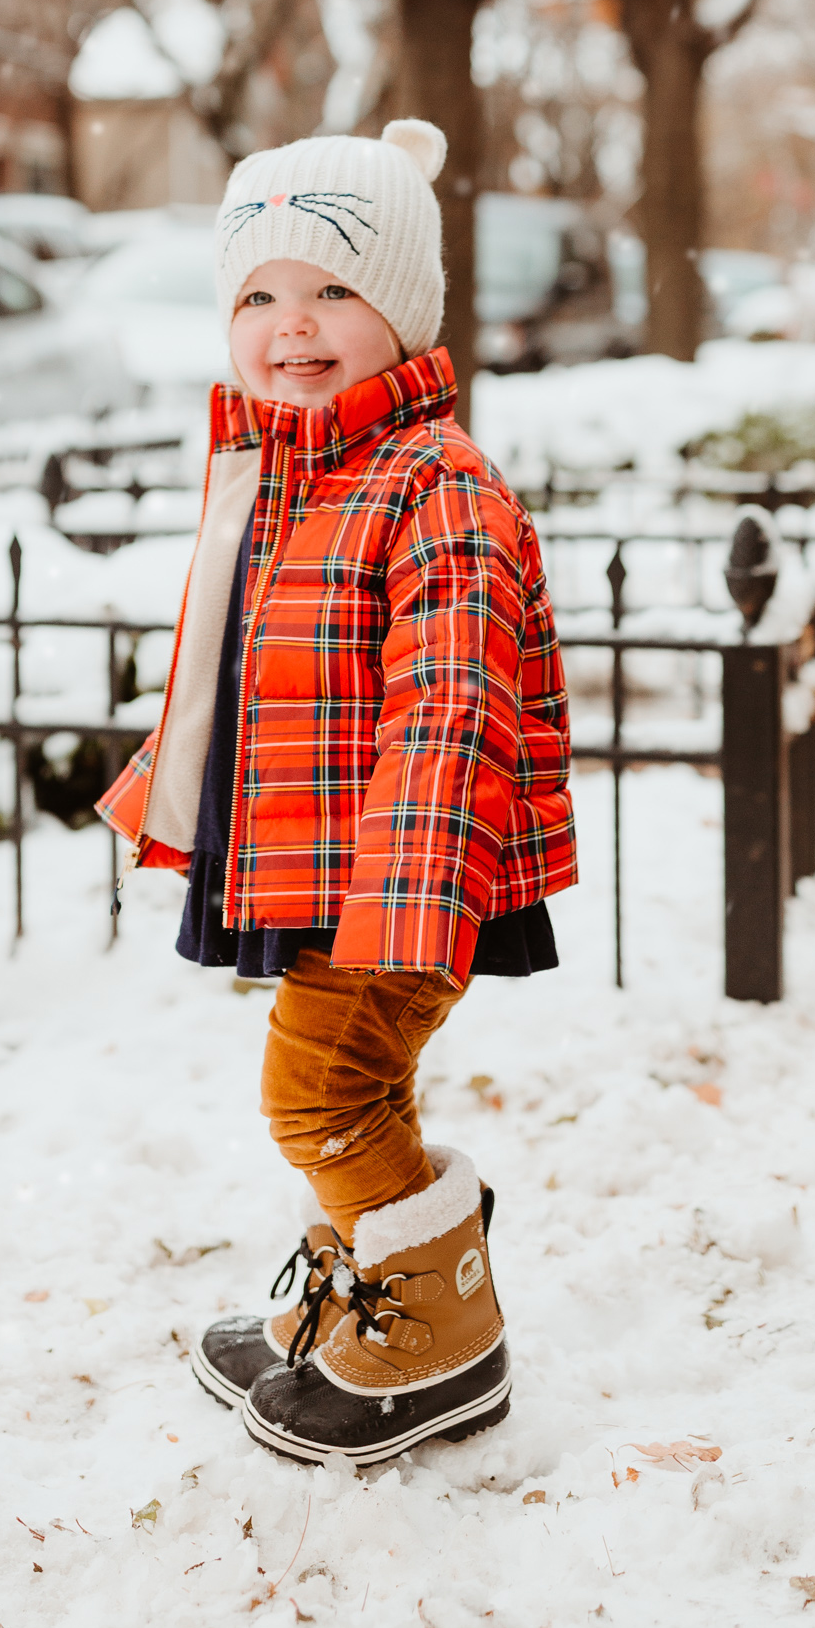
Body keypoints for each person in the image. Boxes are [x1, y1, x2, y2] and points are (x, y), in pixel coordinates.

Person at [98, 119, 574, 1467]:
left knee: (321, 1100)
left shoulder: (435, 489)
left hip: (402, 879)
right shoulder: (302, 468)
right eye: (257, 293)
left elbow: (450, 711)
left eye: (331, 289)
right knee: (361, 1090)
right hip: (335, 867)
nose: (290, 326)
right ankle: (362, 1295)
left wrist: (402, 897)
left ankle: (442, 1344)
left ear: (406, 309)